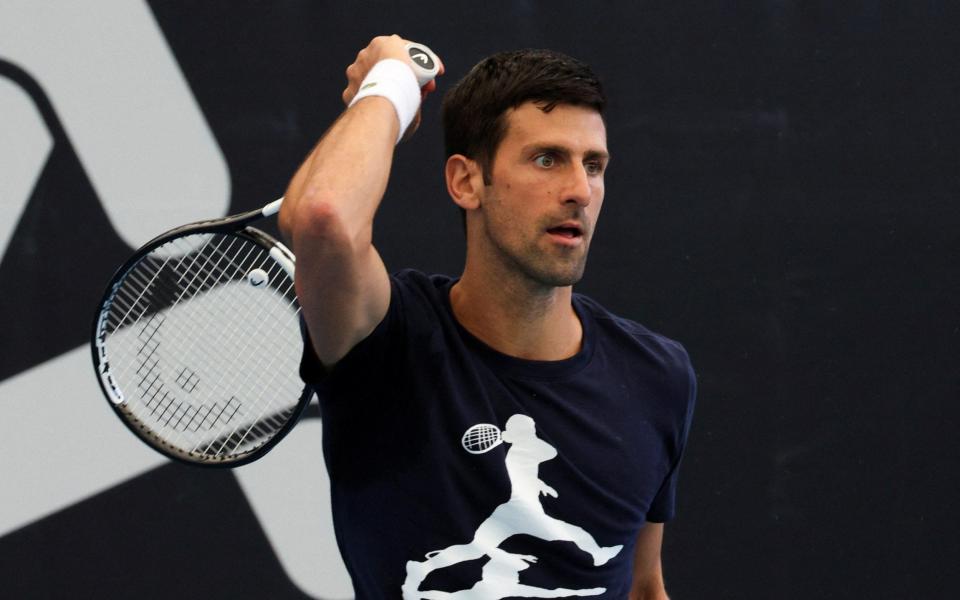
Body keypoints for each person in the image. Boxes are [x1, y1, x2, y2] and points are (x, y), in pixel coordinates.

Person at [278, 35, 696, 599]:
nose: (579, 190)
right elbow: (322, 216)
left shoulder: (657, 376)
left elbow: (644, 586)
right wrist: (391, 84)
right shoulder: (384, 340)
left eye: (593, 165)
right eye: (546, 159)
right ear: (466, 181)